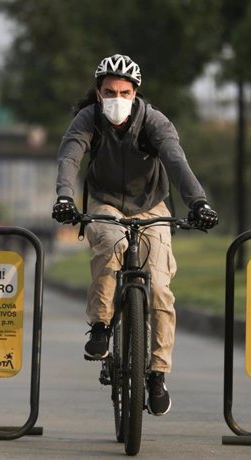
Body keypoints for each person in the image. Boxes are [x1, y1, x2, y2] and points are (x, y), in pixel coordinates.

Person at [52, 54, 218, 416]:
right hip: (105, 202)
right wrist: (64, 196)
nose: (117, 99)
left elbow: (176, 160)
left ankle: (157, 374)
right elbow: (70, 157)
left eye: (124, 92)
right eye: (109, 91)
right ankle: (100, 326)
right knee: (111, 245)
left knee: (159, 286)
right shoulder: (88, 119)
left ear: (136, 93)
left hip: (152, 206)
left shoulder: (154, 122)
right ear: (98, 93)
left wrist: (199, 203)